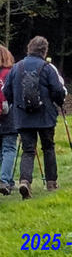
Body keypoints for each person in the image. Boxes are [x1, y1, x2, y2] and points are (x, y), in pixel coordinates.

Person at [2, 36, 67, 199]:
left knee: (28, 150)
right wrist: (58, 102)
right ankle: (51, 183)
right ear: (44, 51)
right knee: (48, 147)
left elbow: (7, 91)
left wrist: (15, 104)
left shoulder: (16, 68)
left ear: (28, 49)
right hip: (45, 116)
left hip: (23, 117)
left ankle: (25, 181)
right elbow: (58, 90)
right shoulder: (47, 68)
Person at [0, 45, 16, 195]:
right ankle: (4, 180)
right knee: (9, 149)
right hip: (9, 116)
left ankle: (8, 181)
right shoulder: (10, 73)